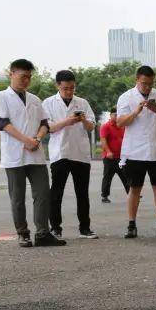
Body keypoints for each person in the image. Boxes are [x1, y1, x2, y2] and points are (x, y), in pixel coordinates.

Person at [0, 59, 66, 248]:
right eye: (22, 76)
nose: (26, 80)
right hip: (14, 154)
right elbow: (3, 123)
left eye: (29, 77)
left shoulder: (35, 99)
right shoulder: (1, 97)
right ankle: (23, 233)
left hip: (35, 154)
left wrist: (37, 139)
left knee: (42, 193)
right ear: (12, 74)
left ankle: (42, 233)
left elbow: (44, 123)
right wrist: (26, 140)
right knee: (17, 197)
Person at [116, 65, 156, 238]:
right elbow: (120, 122)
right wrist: (137, 111)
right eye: (144, 84)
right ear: (137, 80)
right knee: (134, 188)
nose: (148, 87)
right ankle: (131, 225)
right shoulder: (126, 97)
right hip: (135, 151)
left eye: (150, 84)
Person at [43, 70, 98, 239]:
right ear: (57, 85)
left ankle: (85, 228)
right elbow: (48, 128)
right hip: (60, 153)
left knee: (82, 193)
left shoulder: (82, 102)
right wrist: (67, 121)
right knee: (56, 192)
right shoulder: (48, 103)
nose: (69, 91)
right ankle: (56, 228)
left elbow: (91, 127)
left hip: (80, 153)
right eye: (66, 88)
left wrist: (82, 120)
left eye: (72, 88)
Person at [99, 109, 128, 202]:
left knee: (126, 176)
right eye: (115, 115)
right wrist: (108, 151)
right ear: (110, 115)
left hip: (121, 157)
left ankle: (131, 194)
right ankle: (104, 196)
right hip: (109, 157)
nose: (116, 117)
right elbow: (103, 140)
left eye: (118, 115)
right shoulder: (105, 126)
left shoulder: (122, 126)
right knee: (108, 177)